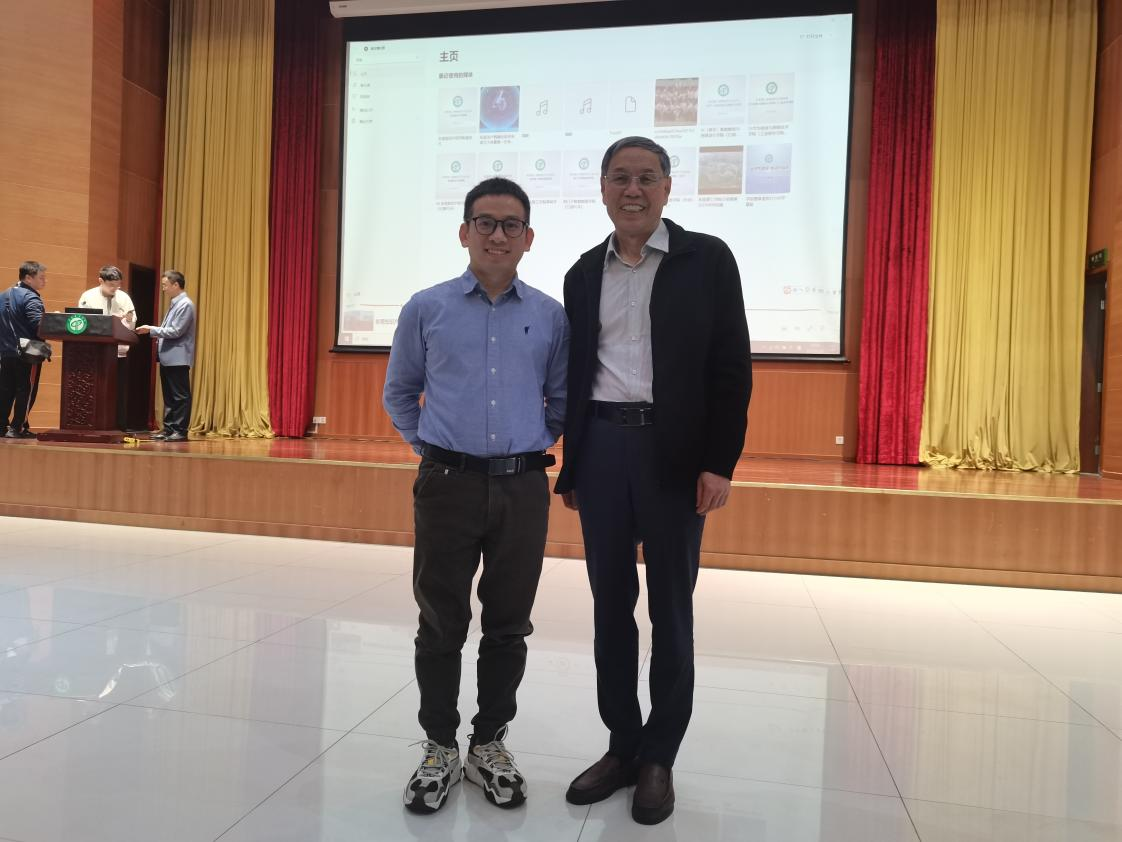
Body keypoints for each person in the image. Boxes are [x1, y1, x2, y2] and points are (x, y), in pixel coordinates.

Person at [556, 137, 752, 825]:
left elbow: (731, 368)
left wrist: (719, 462)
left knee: (670, 607)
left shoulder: (708, 259)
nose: (632, 190)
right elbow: (578, 374)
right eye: (619, 178)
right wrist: (573, 464)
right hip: (602, 450)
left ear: (668, 187)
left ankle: (660, 755)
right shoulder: (583, 273)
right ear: (602, 189)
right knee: (610, 606)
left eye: (646, 178)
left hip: (675, 455)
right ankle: (622, 745)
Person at [383, 177, 568, 814]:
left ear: (528, 238)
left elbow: (561, 399)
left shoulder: (550, 315)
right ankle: (439, 745)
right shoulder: (426, 307)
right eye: (485, 222)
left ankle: (488, 742)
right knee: (440, 621)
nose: (497, 234)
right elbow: (400, 392)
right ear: (464, 232)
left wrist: (528, 445)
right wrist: (433, 447)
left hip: (522, 486)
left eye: (511, 224)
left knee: (509, 623)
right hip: (447, 485)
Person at [136, 270, 195, 442]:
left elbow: (176, 331)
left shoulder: (185, 304)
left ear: (176, 285)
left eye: (165, 285)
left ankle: (180, 430)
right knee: (169, 396)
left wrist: (151, 329)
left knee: (180, 397)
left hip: (178, 358)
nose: (163, 289)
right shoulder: (176, 303)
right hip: (169, 357)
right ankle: (169, 429)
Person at [78, 265, 136, 429]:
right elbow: (83, 322)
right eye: (111, 285)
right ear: (100, 281)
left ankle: (118, 426)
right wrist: (109, 320)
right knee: (94, 389)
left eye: (118, 285)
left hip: (118, 353)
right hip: (94, 353)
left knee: (118, 391)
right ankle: (91, 424)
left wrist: (126, 320)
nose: (115, 289)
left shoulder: (123, 297)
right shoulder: (88, 297)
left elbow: (132, 324)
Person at [0, 261, 48, 439]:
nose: (45, 281)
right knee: (25, 390)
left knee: (5, 390)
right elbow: (38, 325)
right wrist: (53, 323)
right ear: (28, 278)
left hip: (5, 352)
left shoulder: (3, 295)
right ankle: (17, 427)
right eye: (41, 278)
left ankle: (1, 426)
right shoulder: (30, 297)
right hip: (28, 353)